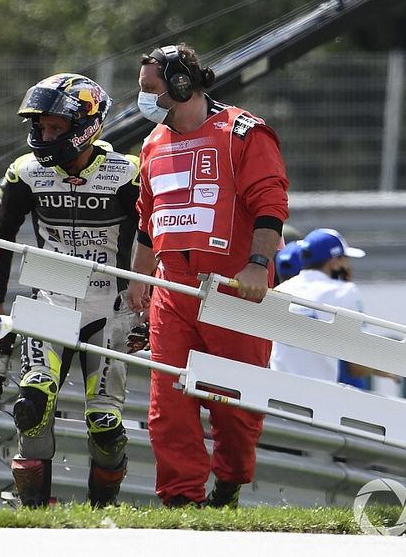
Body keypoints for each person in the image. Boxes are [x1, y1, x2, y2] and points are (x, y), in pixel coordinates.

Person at [125, 44, 290, 508]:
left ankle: (230, 483)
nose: (143, 99)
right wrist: (140, 278)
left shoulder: (243, 132)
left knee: (234, 406)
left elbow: (270, 204)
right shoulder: (152, 144)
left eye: (149, 89)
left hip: (235, 292)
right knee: (168, 407)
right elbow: (146, 218)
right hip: (173, 291)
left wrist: (258, 265)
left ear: (181, 85)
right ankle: (180, 501)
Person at [0, 73, 140, 508]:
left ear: (87, 125)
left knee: (105, 425)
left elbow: (153, 244)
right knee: (30, 409)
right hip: (48, 302)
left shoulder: (128, 174)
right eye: (41, 126)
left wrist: (145, 310)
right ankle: (34, 516)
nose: (45, 135)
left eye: (56, 127)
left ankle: (102, 514)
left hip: (110, 307)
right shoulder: (24, 171)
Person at [269, 228, 398, 389]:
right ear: (335, 262)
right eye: (345, 259)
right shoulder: (345, 291)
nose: (348, 266)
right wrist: (392, 367)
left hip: (276, 394)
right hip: (319, 398)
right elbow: (356, 365)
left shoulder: (283, 289)